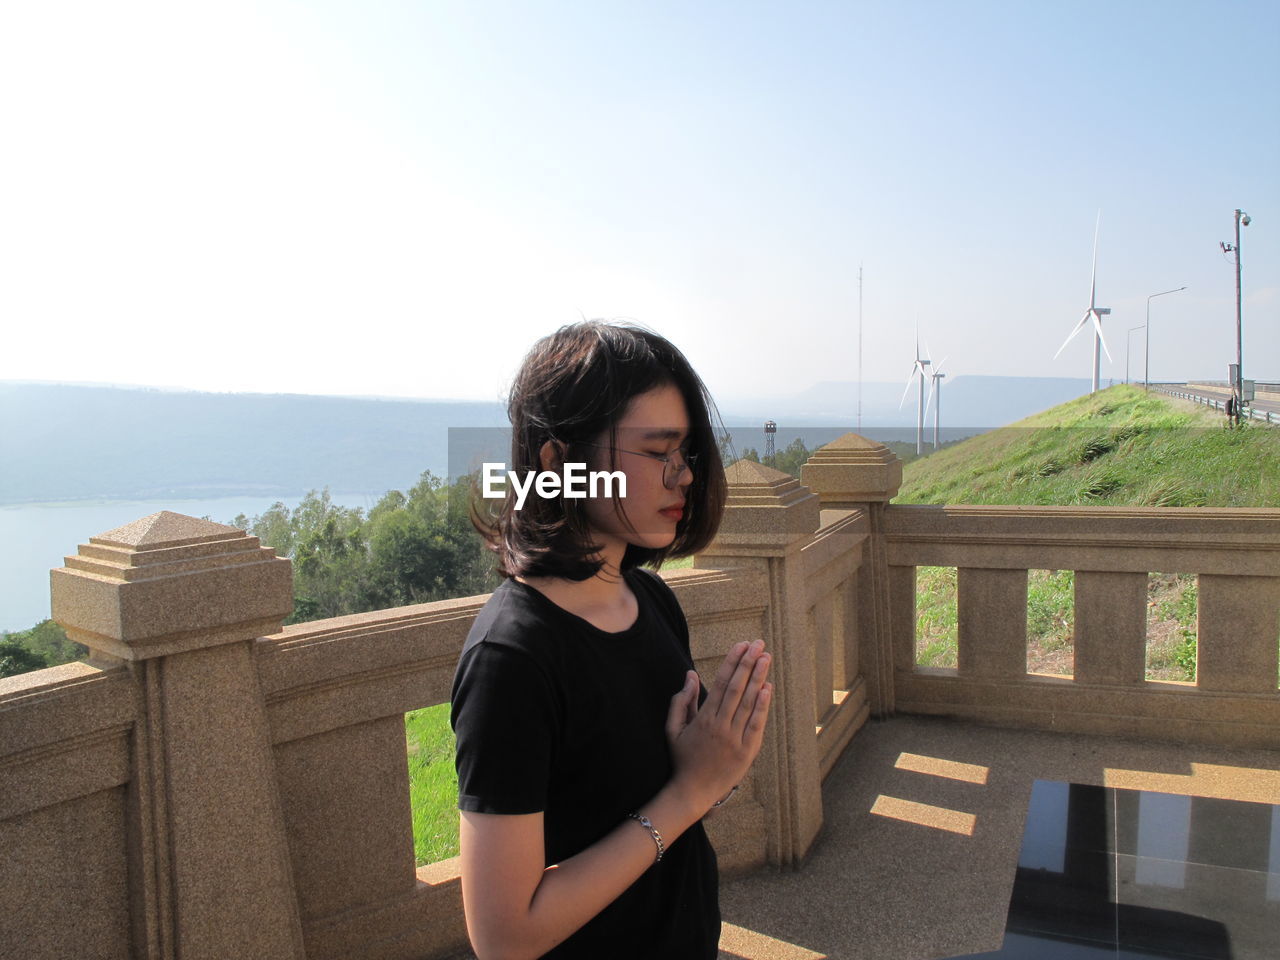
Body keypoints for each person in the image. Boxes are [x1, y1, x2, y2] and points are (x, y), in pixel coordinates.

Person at [450, 320, 773, 959]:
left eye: (687, 455)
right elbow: (503, 939)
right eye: (658, 453)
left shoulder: (650, 600)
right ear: (558, 463)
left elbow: (659, 798)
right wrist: (690, 791)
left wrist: (715, 762)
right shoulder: (513, 659)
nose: (683, 477)